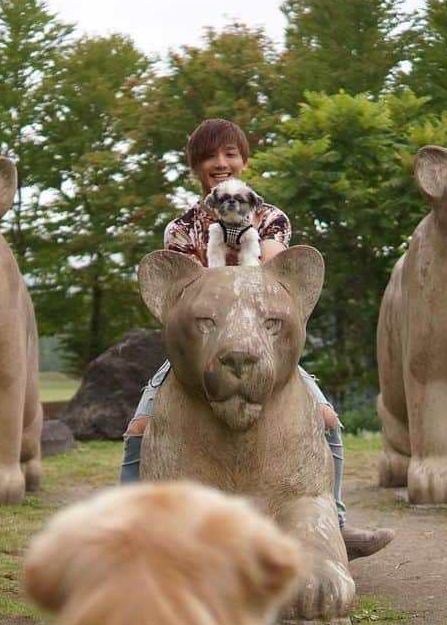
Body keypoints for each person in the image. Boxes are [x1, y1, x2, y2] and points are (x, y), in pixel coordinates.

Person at [120, 118, 395, 561]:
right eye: (210, 156)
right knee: (138, 428)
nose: (221, 163)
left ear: (244, 161)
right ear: (196, 167)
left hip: (263, 336)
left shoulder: (270, 218)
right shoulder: (183, 227)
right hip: (204, 343)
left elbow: (275, 275)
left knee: (327, 419)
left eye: (230, 154)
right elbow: (184, 293)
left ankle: (335, 523)